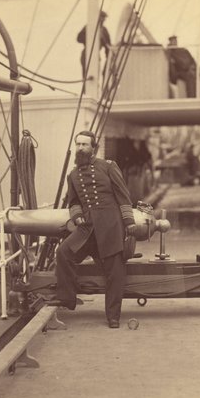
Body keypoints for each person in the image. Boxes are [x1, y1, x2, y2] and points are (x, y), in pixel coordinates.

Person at [47, 131, 136, 328]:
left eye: (84, 145)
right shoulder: (73, 175)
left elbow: (123, 195)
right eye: (78, 144)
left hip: (110, 226)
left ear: (93, 148)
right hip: (87, 228)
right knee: (63, 252)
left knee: (115, 272)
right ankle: (67, 298)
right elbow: (73, 202)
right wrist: (77, 215)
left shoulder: (108, 167)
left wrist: (129, 223)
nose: (80, 148)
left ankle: (113, 316)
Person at [77, 11, 111, 84]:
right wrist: (89, 35)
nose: (103, 20)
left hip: (96, 55)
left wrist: (109, 58)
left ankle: (94, 93)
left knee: (95, 79)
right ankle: (86, 93)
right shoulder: (88, 27)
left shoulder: (104, 31)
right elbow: (79, 38)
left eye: (104, 18)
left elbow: (108, 45)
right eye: (102, 18)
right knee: (86, 78)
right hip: (86, 54)